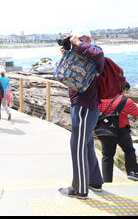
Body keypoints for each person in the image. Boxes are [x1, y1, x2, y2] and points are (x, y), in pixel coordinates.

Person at [58, 28, 105, 199]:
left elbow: (99, 55)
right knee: (86, 145)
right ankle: (94, 181)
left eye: (74, 38)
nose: (72, 41)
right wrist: (66, 53)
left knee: (77, 147)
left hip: (84, 108)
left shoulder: (94, 52)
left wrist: (78, 43)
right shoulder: (81, 55)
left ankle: (79, 189)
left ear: (85, 38)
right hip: (83, 107)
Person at [98, 82, 138, 182]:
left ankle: (107, 181)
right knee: (129, 150)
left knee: (107, 156)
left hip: (104, 131)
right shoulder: (126, 101)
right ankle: (132, 172)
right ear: (124, 90)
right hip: (122, 131)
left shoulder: (101, 99)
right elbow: (136, 114)